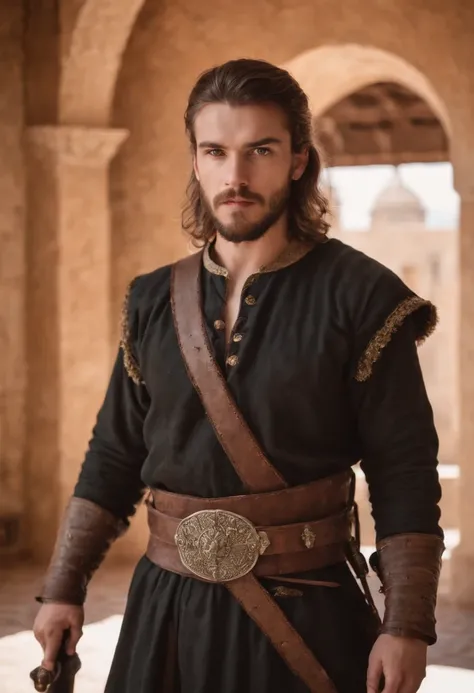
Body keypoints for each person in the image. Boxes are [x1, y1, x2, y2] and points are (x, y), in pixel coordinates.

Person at [33, 58, 444, 693]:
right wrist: (63, 587)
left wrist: (407, 625)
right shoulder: (150, 300)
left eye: (260, 150)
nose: (236, 175)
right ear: (196, 160)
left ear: (299, 160)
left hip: (307, 613)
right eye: (216, 151)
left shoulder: (362, 297)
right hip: (163, 614)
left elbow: (403, 471)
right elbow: (115, 454)